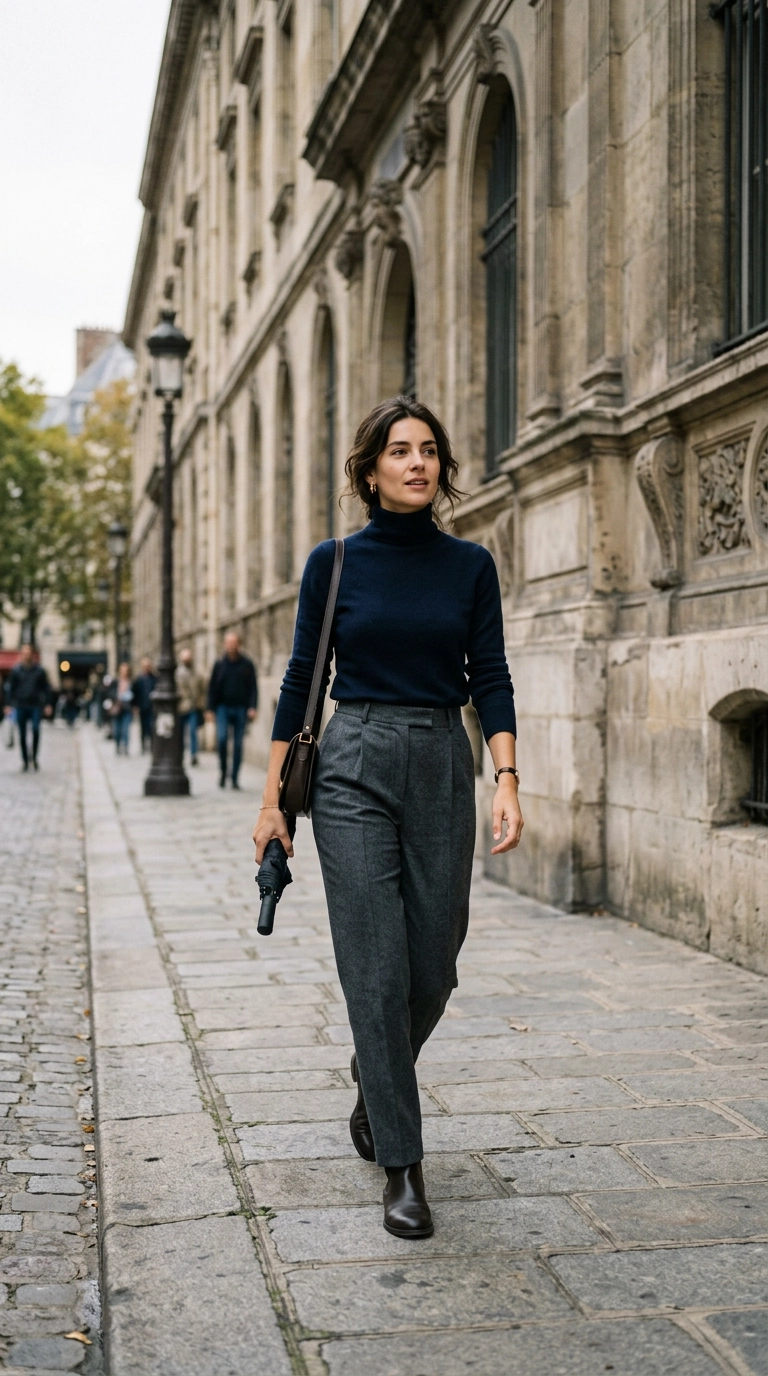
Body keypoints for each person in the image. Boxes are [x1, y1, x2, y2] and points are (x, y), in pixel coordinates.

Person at [253, 397, 524, 1240]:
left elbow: (493, 675)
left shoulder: (471, 566)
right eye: (399, 451)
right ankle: (402, 1167)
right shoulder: (333, 563)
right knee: (376, 967)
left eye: (430, 451)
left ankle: (375, 1082)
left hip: (446, 757)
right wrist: (271, 803)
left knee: (433, 966)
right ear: (369, 471)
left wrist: (508, 777)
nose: (418, 463)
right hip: (354, 761)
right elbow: (301, 681)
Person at [206, 633, 258, 789]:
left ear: (239, 644)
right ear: (224, 644)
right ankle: (223, 772)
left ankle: (234, 777)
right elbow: (212, 688)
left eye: (234, 642)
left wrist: (253, 707)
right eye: (228, 643)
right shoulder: (220, 664)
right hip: (222, 707)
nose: (231, 646)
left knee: (238, 744)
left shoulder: (247, 664)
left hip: (241, 709)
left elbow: (253, 688)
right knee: (221, 740)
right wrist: (209, 708)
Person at [7, 644, 52, 772]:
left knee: (36, 730)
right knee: (21, 734)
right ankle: (25, 760)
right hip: (21, 705)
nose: (26, 655)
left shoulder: (39, 670)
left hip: (35, 705)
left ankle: (34, 757)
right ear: (21, 654)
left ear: (32, 654)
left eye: (28, 652)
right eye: (24, 652)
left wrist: (48, 704)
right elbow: (11, 688)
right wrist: (8, 704)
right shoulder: (16, 670)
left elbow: (46, 688)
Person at [176, 648, 206, 765]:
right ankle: (181, 753)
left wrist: (201, 705)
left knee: (193, 731)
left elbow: (202, 689)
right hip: (181, 707)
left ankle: (194, 754)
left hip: (193, 707)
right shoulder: (177, 673)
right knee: (180, 733)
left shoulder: (197, 673)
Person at [131, 658, 157, 753]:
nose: (147, 668)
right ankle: (143, 745)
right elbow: (134, 693)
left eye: (148, 666)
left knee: (151, 727)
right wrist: (135, 706)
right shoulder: (138, 680)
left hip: (152, 708)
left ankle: (151, 745)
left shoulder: (154, 678)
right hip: (142, 707)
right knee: (143, 727)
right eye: (145, 666)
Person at [112, 663, 133, 755]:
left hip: (127, 709)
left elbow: (135, 695)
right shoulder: (115, 682)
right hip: (117, 708)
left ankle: (125, 747)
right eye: (123, 670)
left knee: (125, 729)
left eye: (126, 671)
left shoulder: (131, 682)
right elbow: (109, 693)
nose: (124, 672)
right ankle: (117, 745)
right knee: (117, 730)